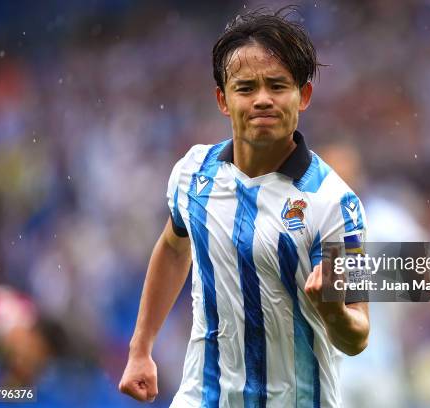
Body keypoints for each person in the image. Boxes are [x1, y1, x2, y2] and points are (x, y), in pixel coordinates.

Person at [119, 7, 370, 407]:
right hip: (203, 397)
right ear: (223, 99)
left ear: (302, 95)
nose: (263, 100)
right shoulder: (193, 173)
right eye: (246, 88)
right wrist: (140, 348)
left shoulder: (335, 203)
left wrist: (336, 312)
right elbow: (172, 245)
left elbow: (357, 334)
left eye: (277, 85)